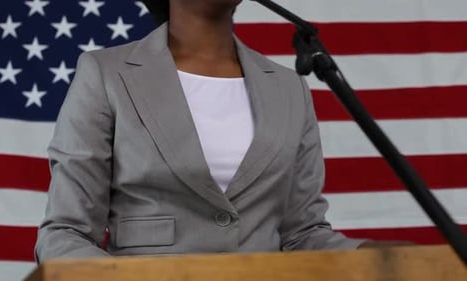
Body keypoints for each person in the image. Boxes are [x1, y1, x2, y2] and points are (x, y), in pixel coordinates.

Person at [35, 0, 401, 262]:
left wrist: (370, 253)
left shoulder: (289, 87)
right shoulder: (106, 73)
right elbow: (65, 234)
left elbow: (301, 234)